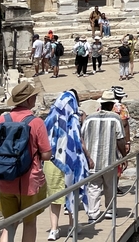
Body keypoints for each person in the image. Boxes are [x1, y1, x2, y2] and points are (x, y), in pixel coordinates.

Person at [0, 81, 52, 242]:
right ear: (28, 100)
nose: (35, 98)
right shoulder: (36, 123)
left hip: (5, 180)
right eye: (33, 96)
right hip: (30, 182)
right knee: (29, 223)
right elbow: (46, 155)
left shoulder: (0, 120)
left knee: (9, 224)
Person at [43, 91, 90, 241]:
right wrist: (88, 158)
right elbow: (78, 142)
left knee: (55, 197)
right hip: (70, 164)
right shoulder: (73, 119)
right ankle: (72, 225)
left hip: (51, 163)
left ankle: (54, 230)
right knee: (72, 195)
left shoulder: (49, 118)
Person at [80, 90, 126, 223]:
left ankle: (93, 213)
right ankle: (110, 210)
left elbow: (82, 137)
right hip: (109, 159)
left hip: (92, 160)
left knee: (93, 187)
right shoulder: (115, 118)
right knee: (109, 185)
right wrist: (123, 156)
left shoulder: (89, 118)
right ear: (112, 104)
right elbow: (120, 139)